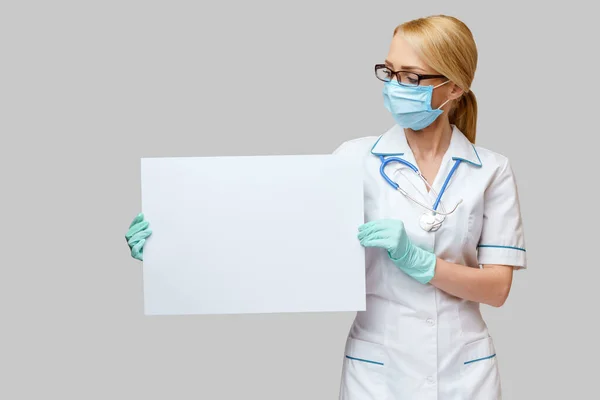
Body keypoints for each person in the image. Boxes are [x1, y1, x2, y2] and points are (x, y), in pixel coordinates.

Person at [125, 14, 526, 400]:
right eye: (389, 72)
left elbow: (497, 289)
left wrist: (422, 263)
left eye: (412, 77)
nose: (395, 86)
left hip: (465, 371)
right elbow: (276, 243)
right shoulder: (353, 160)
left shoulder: (491, 170)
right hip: (378, 370)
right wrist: (173, 249)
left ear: (454, 87)